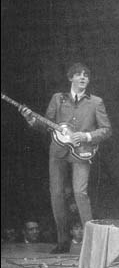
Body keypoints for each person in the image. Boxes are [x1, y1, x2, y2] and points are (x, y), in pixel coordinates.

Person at [20, 62, 112, 254]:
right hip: (58, 152)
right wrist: (31, 120)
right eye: (78, 74)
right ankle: (63, 241)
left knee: (80, 193)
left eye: (86, 74)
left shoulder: (96, 102)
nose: (83, 77)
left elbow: (106, 130)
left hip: (82, 151)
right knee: (57, 195)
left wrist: (86, 136)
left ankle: (92, 242)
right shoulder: (58, 98)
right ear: (70, 78)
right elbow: (47, 124)